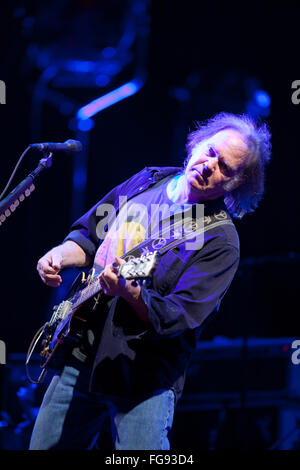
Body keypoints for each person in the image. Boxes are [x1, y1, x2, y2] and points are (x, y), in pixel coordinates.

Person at [29, 112, 271, 450]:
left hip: (141, 381)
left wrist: (130, 293)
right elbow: (88, 236)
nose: (209, 165)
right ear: (197, 142)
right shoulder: (146, 181)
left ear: (235, 185)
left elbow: (179, 315)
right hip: (80, 356)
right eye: (211, 151)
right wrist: (58, 256)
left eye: (225, 168)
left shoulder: (220, 240)